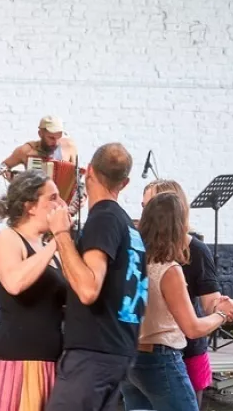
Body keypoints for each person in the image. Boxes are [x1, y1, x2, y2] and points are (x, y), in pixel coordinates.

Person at [45, 143, 147, 411]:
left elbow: (89, 288)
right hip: (119, 349)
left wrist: (61, 234)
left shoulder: (103, 218)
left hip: (93, 354)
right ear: (124, 183)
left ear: (88, 171)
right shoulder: (127, 224)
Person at [119, 192, 233, 411]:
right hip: (160, 359)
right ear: (178, 225)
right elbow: (193, 328)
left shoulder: (131, 260)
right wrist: (222, 313)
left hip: (130, 357)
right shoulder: (169, 269)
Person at [0, 171, 67, 411]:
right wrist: (58, 239)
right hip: (18, 362)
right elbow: (14, 283)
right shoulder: (8, 238)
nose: (60, 205)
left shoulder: (48, 248)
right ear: (30, 206)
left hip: (52, 361)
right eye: (53, 198)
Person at [0, 116, 79, 176]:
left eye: (58, 137)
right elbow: (3, 167)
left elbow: (76, 177)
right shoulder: (26, 150)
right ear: (40, 134)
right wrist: (16, 182)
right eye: (51, 138)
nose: (55, 142)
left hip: (61, 197)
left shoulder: (69, 147)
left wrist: (81, 194)